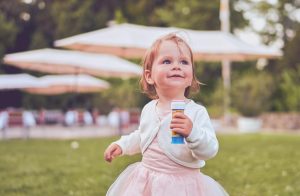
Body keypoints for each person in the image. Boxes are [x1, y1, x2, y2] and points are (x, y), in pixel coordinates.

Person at [104, 33, 228, 196]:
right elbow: (143, 136)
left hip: (183, 186)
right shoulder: (148, 109)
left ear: (191, 77)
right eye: (167, 61)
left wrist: (193, 133)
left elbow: (210, 149)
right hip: (147, 180)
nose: (177, 66)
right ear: (149, 76)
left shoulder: (196, 112)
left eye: (184, 62)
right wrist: (123, 145)